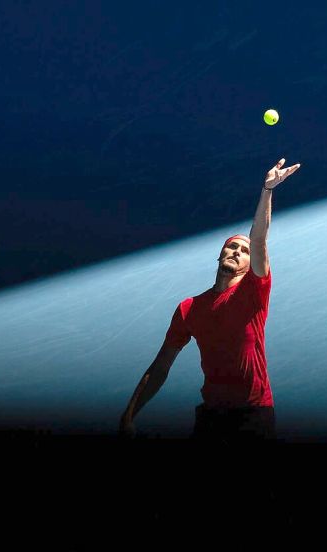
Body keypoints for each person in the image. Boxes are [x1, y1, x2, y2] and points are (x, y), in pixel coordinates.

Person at [119, 158, 301, 445]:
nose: (237, 251)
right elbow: (161, 366)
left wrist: (267, 190)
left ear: (248, 261)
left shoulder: (254, 291)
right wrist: (129, 415)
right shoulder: (189, 308)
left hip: (254, 416)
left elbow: (259, 240)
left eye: (243, 250)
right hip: (211, 417)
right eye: (231, 246)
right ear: (220, 254)